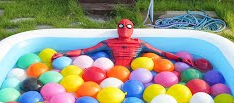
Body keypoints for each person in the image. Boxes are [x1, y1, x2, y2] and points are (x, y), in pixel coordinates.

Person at [51, 19, 193, 67]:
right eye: (121, 26)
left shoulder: (141, 44)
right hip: (112, 71)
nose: (124, 28)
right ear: (117, 30)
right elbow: (84, 51)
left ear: (132, 30)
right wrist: (64, 53)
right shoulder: (108, 43)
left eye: (128, 26)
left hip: (134, 71)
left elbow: (161, 53)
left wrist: (179, 58)